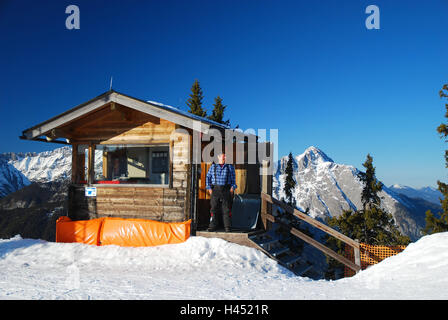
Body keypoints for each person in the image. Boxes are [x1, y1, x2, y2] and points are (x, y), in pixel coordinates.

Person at [206, 152, 237, 232]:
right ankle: (213, 225)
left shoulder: (230, 167)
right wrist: (209, 188)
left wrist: (232, 188)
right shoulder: (213, 167)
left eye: (225, 157)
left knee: (226, 209)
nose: (224, 159)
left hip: (226, 189)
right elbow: (208, 177)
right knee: (214, 208)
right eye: (223, 157)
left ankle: (227, 226)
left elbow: (233, 179)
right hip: (215, 189)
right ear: (218, 157)